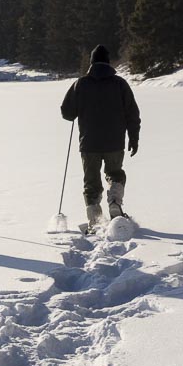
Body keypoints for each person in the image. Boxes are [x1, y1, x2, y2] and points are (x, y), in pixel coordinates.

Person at [61, 45, 141, 228]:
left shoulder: (80, 84)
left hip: (89, 143)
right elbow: (132, 114)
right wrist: (134, 138)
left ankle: (95, 218)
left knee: (91, 182)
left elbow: (67, 113)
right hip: (114, 142)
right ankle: (114, 202)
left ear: (91, 62)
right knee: (115, 174)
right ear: (108, 62)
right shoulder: (119, 84)